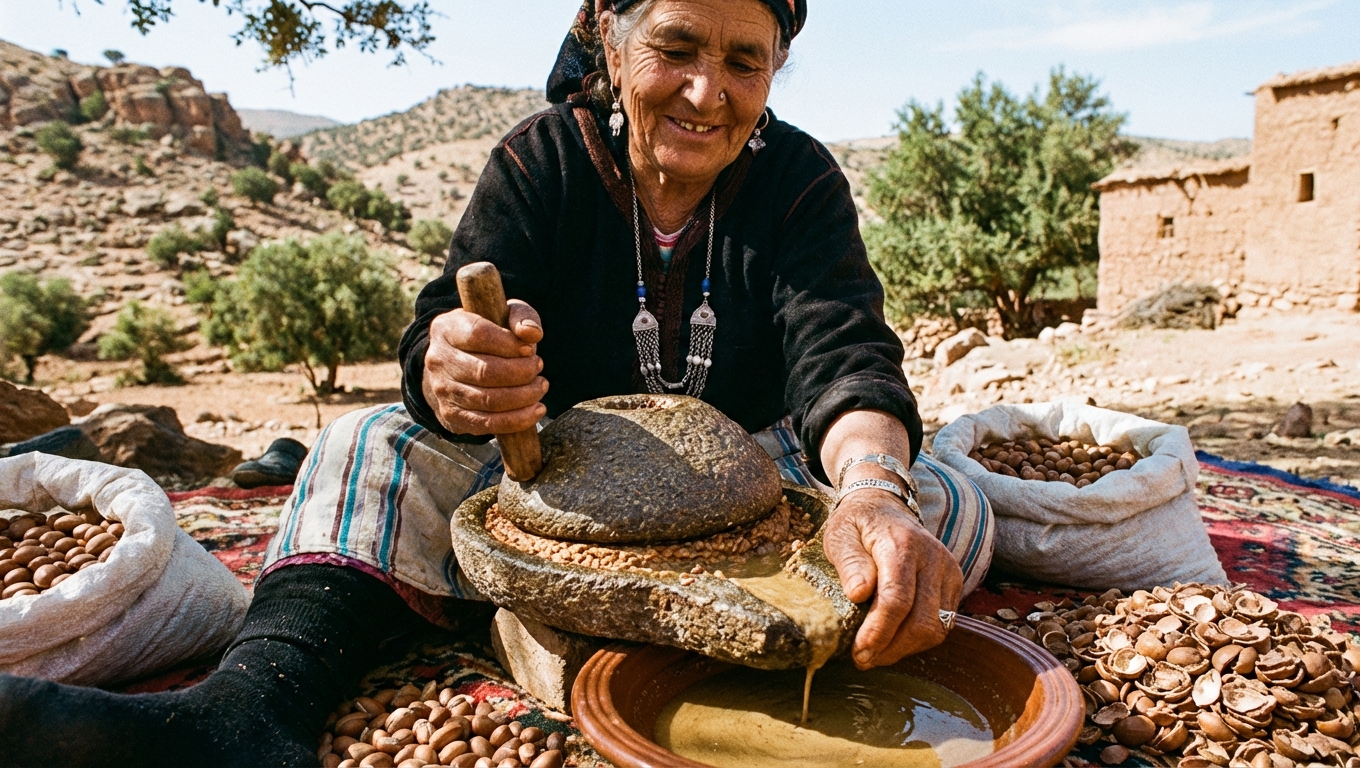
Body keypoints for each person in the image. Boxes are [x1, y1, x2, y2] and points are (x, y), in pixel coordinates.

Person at [0, 1, 993, 765]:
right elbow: (443, 339)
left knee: (934, 488)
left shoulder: (799, 181)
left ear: (775, 67)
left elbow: (843, 352)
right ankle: (250, 710)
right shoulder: (542, 159)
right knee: (368, 445)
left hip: (755, 514)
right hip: (542, 499)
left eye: (745, 60)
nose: (706, 92)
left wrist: (870, 489)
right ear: (610, 40)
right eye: (677, 49)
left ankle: (764, 645)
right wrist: (455, 369)